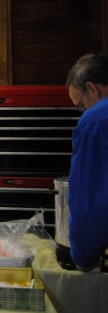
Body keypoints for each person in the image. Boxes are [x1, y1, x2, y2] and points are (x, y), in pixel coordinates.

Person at [65, 52, 108, 272]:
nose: (84, 111)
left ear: (92, 88)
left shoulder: (95, 121)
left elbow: (89, 199)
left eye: (81, 105)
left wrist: (84, 257)